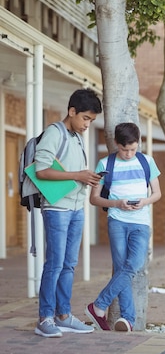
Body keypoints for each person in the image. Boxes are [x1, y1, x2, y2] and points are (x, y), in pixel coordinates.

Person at [34, 88, 103, 338]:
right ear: (71, 111)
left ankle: (64, 315)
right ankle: (45, 318)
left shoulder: (76, 137)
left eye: (91, 121)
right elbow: (41, 170)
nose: (87, 124)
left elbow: (72, 172)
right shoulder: (55, 133)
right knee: (54, 264)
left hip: (76, 207)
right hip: (57, 208)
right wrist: (78, 175)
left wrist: (88, 179)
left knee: (69, 264)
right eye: (85, 118)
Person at [85, 122, 162, 332]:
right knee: (122, 268)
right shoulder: (105, 164)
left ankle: (99, 305)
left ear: (139, 144)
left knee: (133, 265)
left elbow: (157, 193)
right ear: (116, 144)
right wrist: (117, 203)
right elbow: (94, 198)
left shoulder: (147, 162)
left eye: (133, 149)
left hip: (141, 223)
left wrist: (144, 202)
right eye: (124, 149)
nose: (128, 154)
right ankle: (127, 318)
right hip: (117, 221)